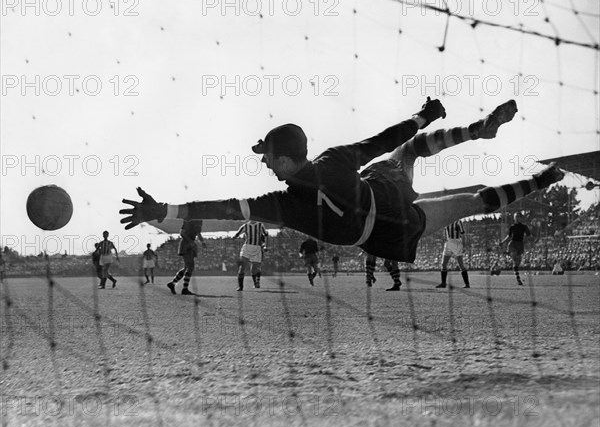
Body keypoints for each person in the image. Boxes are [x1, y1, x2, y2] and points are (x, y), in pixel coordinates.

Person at [120, 98, 564, 266]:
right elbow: (382, 139)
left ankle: (541, 179)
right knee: (412, 151)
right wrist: (423, 115)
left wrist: (166, 211)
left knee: (472, 200)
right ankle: (476, 132)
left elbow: (224, 207)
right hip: (384, 191)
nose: (268, 168)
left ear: (289, 163)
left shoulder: (282, 204)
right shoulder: (331, 160)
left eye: (272, 161)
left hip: (389, 230)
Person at [167, 220, 206, 295]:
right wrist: (190, 242)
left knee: (187, 267)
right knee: (190, 267)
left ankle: (172, 283)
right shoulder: (189, 220)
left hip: (191, 245)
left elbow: (198, 233)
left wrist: (202, 242)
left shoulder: (199, 221)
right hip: (186, 244)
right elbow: (182, 233)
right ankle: (184, 289)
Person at [233, 220, 268, 291]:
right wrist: (234, 237)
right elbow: (237, 234)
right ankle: (240, 287)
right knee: (242, 266)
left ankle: (256, 282)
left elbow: (265, 235)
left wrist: (265, 245)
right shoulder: (245, 226)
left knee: (254, 268)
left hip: (257, 248)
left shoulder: (260, 225)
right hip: (246, 247)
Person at [436, 219, 470, 289]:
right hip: (448, 242)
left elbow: (463, 234)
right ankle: (443, 283)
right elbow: (445, 232)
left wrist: (464, 245)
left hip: (456, 242)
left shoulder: (458, 221)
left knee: (461, 265)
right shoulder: (446, 221)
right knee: (443, 264)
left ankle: (467, 284)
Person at [500, 212, 531, 286]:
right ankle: (518, 279)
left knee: (518, 262)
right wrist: (502, 242)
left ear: (521, 218)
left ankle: (517, 277)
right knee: (514, 257)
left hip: (520, 244)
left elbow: (529, 235)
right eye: (516, 216)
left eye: (518, 217)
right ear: (514, 218)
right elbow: (509, 236)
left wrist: (528, 241)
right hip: (513, 243)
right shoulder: (512, 226)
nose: (517, 218)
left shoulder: (524, 227)